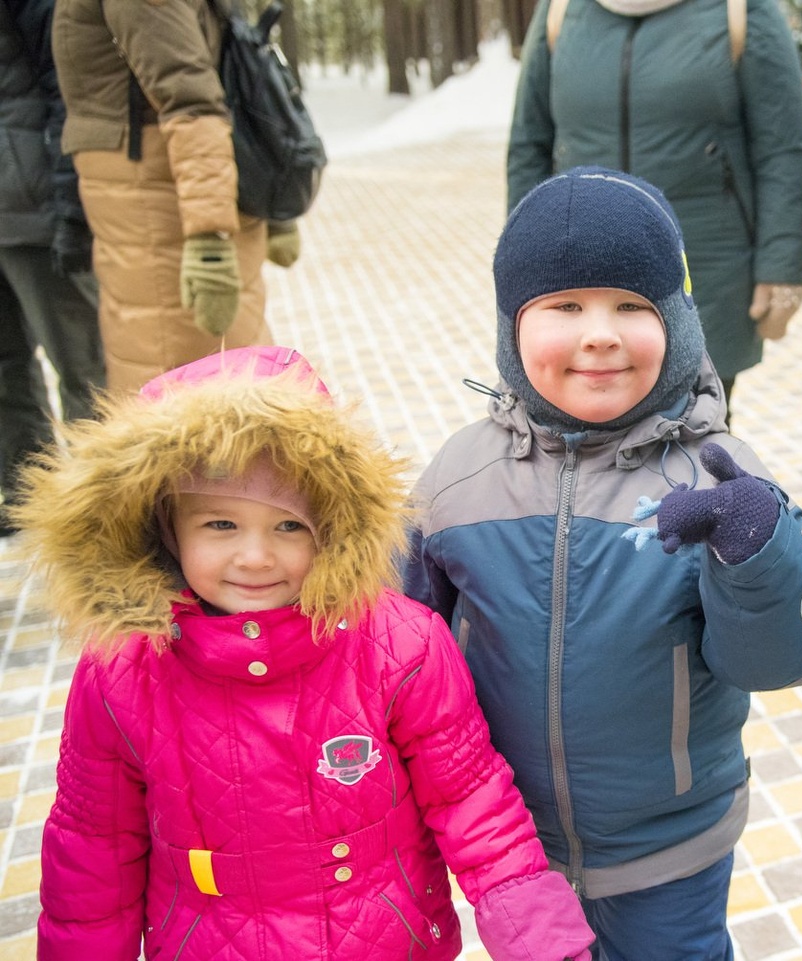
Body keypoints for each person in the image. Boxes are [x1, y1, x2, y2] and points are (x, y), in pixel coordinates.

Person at [13, 346, 595, 961]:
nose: (257, 557)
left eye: (289, 526)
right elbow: (95, 847)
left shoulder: (402, 645)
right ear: (164, 528)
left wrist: (542, 943)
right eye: (220, 525)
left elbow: (474, 804)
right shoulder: (123, 673)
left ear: (333, 526)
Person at [405, 167, 802, 960]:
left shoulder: (720, 477)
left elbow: (783, 657)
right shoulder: (455, 482)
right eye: (564, 306)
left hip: (672, 843)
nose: (599, 332)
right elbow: (397, 653)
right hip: (512, 847)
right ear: (512, 328)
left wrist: (753, 548)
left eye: (631, 305)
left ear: (677, 319)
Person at [506, 0, 802, 413]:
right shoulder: (562, 10)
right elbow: (530, 143)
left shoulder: (740, 9)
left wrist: (781, 266)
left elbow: (781, 147)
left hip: (706, 263)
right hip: (576, 267)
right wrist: (520, 262)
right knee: (577, 431)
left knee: (692, 428)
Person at [50, 0, 301, 393]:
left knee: (183, 387)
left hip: (162, 206)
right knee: (217, 374)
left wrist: (210, 242)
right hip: (164, 199)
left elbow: (192, 101)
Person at [0, 0, 106, 536]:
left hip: (35, 212)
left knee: (82, 366)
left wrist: (70, 208)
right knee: (4, 367)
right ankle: (27, 495)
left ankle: (104, 510)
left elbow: (66, 94)